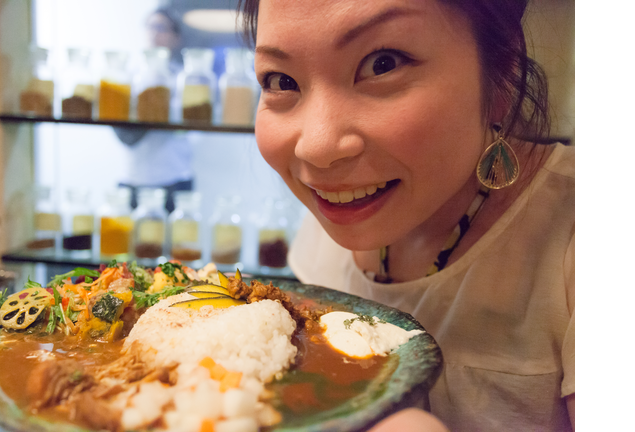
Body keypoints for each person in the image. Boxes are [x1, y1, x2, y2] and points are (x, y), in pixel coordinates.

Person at [238, 0, 574, 430]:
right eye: (281, 80)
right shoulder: (339, 210)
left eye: (382, 63)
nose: (317, 149)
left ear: (503, 72)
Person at [116, 8, 193, 213]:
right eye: (150, 27)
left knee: (175, 242)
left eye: (161, 28)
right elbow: (123, 133)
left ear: (176, 37)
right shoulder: (128, 76)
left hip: (174, 177)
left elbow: (191, 125)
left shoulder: (185, 78)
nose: (154, 33)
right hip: (133, 178)